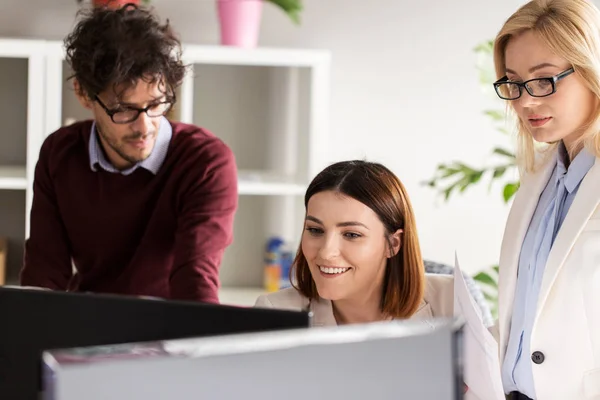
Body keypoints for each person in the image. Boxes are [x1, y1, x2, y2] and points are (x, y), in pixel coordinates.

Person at [20, 5, 238, 303]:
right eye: (123, 109)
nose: (144, 126)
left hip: (171, 325)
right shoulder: (61, 153)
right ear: (83, 94)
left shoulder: (205, 162)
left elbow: (196, 277)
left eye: (157, 104)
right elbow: (44, 274)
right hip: (88, 322)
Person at [492, 1, 600, 398]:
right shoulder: (539, 179)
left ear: (592, 70)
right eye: (513, 82)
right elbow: (528, 319)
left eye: (543, 80)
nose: (524, 102)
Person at [255, 160, 454, 326]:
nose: (326, 252)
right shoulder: (274, 313)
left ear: (392, 244)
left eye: (351, 234)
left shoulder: (450, 301)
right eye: (315, 230)